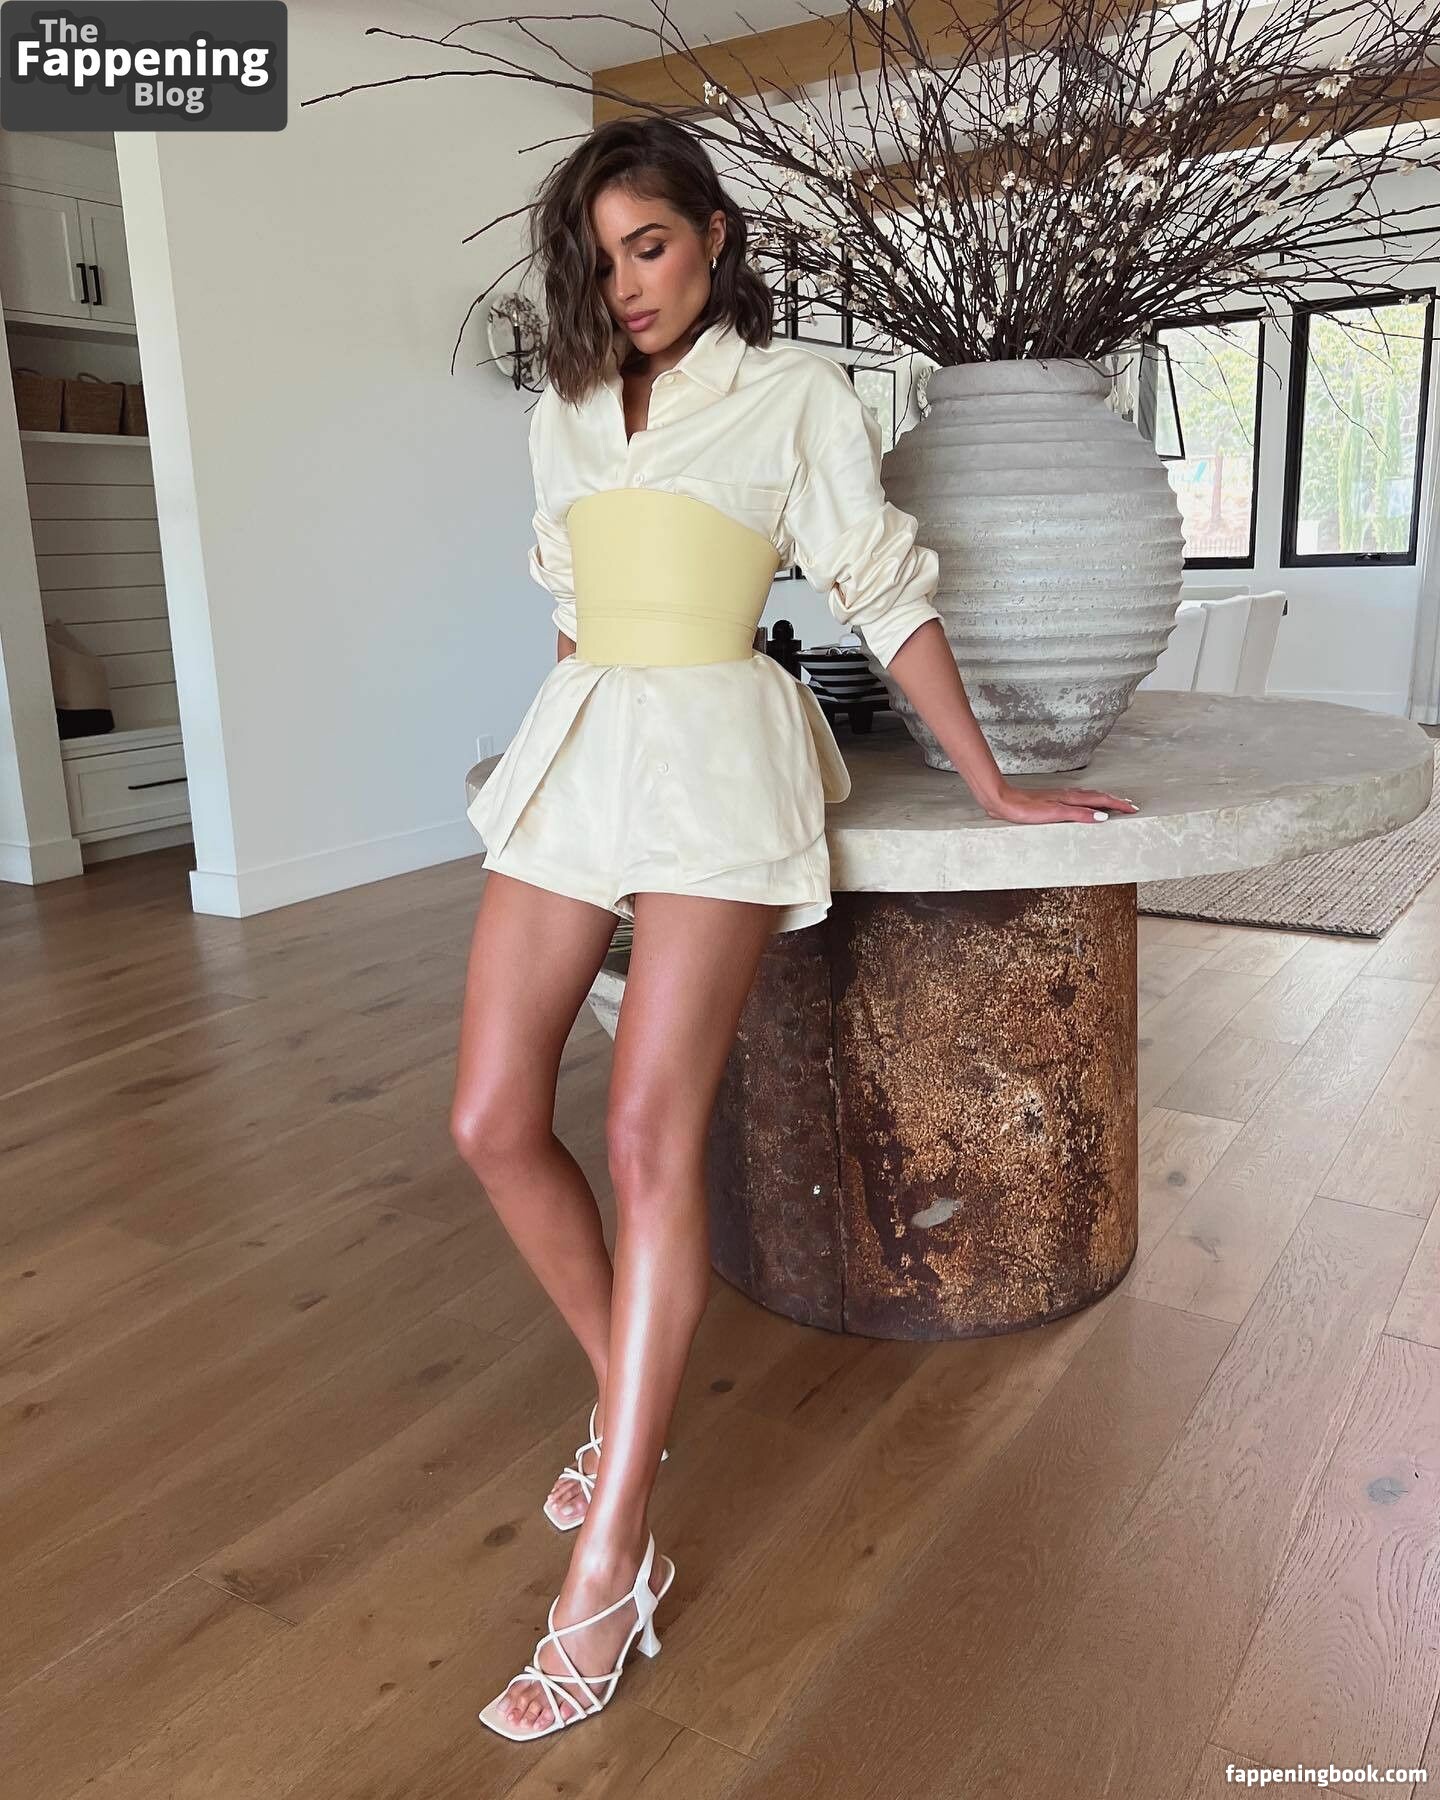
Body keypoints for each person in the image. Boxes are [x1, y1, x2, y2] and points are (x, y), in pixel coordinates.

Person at [452, 116, 1140, 1743]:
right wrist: (568, 743)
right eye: (601, 259)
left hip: (718, 756)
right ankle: (629, 1400)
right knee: (487, 1121)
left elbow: (880, 592)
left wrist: (993, 782)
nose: (628, 284)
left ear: (715, 235)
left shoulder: (797, 395)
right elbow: (572, 613)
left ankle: (614, 1560)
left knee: (648, 1135)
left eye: (651, 245)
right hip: (584, 745)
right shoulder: (561, 414)